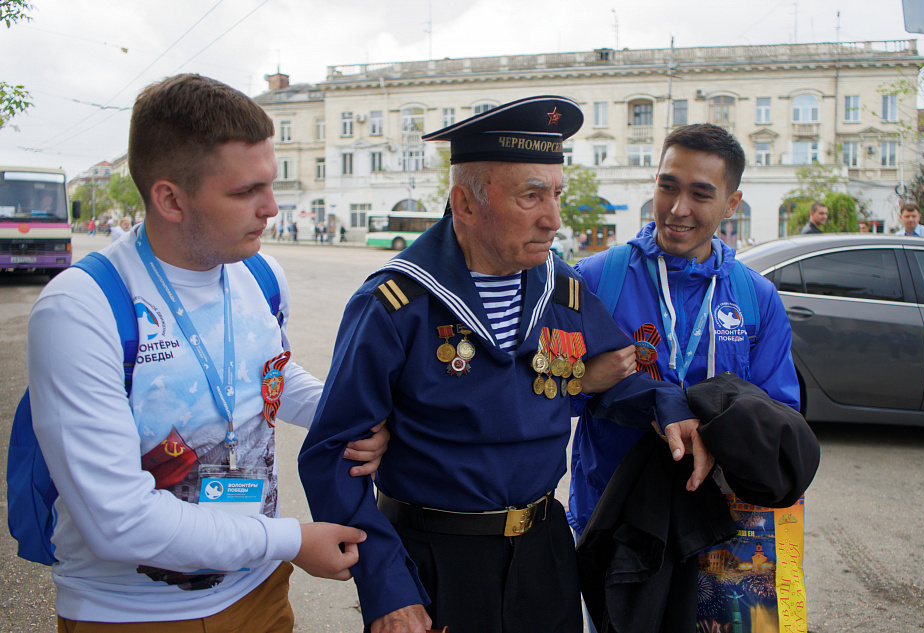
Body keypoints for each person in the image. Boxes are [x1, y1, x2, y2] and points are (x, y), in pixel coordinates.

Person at [298, 96, 706, 633]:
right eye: (531, 196)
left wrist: (667, 403)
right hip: (436, 563)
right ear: (465, 205)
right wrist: (385, 584)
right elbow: (333, 454)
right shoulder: (396, 305)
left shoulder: (562, 291)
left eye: (556, 194)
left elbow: (612, 380)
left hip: (544, 556)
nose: (553, 219)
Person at [26, 73, 389, 633]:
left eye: (270, 183)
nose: (272, 207)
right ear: (170, 198)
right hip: (135, 615)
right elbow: (116, 520)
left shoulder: (262, 274)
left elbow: (272, 373)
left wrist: (353, 418)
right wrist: (293, 540)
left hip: (261, 590)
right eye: (246, 192)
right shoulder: (82, 308)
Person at [567, 123, 801, 630]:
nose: (678, 209)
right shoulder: (595, 279)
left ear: (732, 204)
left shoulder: (754, 298)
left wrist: (722, 430)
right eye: (668, 186)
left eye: (700, 194)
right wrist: (592, 382)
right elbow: (548, 394)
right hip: (616, 520)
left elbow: (782, 413)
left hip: (721, 531)